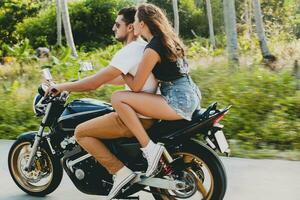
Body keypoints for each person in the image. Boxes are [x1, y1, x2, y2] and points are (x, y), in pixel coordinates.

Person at [45, 7, 158, 200]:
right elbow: (113, 78)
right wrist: (88, 81)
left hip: (138, 116)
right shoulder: (141, 48)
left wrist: (62, 86)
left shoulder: (130, 51)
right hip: (148, 110)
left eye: (117, 24)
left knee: (81, 132)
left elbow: (97, 81)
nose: (113, 28)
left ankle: (120, 173)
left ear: (130, 27)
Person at [111, 3, 201, 179]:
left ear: (142, 24)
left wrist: (122, 71)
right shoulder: (167, 39)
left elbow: (136, 86)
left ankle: (148, 149)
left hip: (177, 100)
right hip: (192, 94)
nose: (134, 24)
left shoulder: (152, 48)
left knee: (118, 98)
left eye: (136, 21)